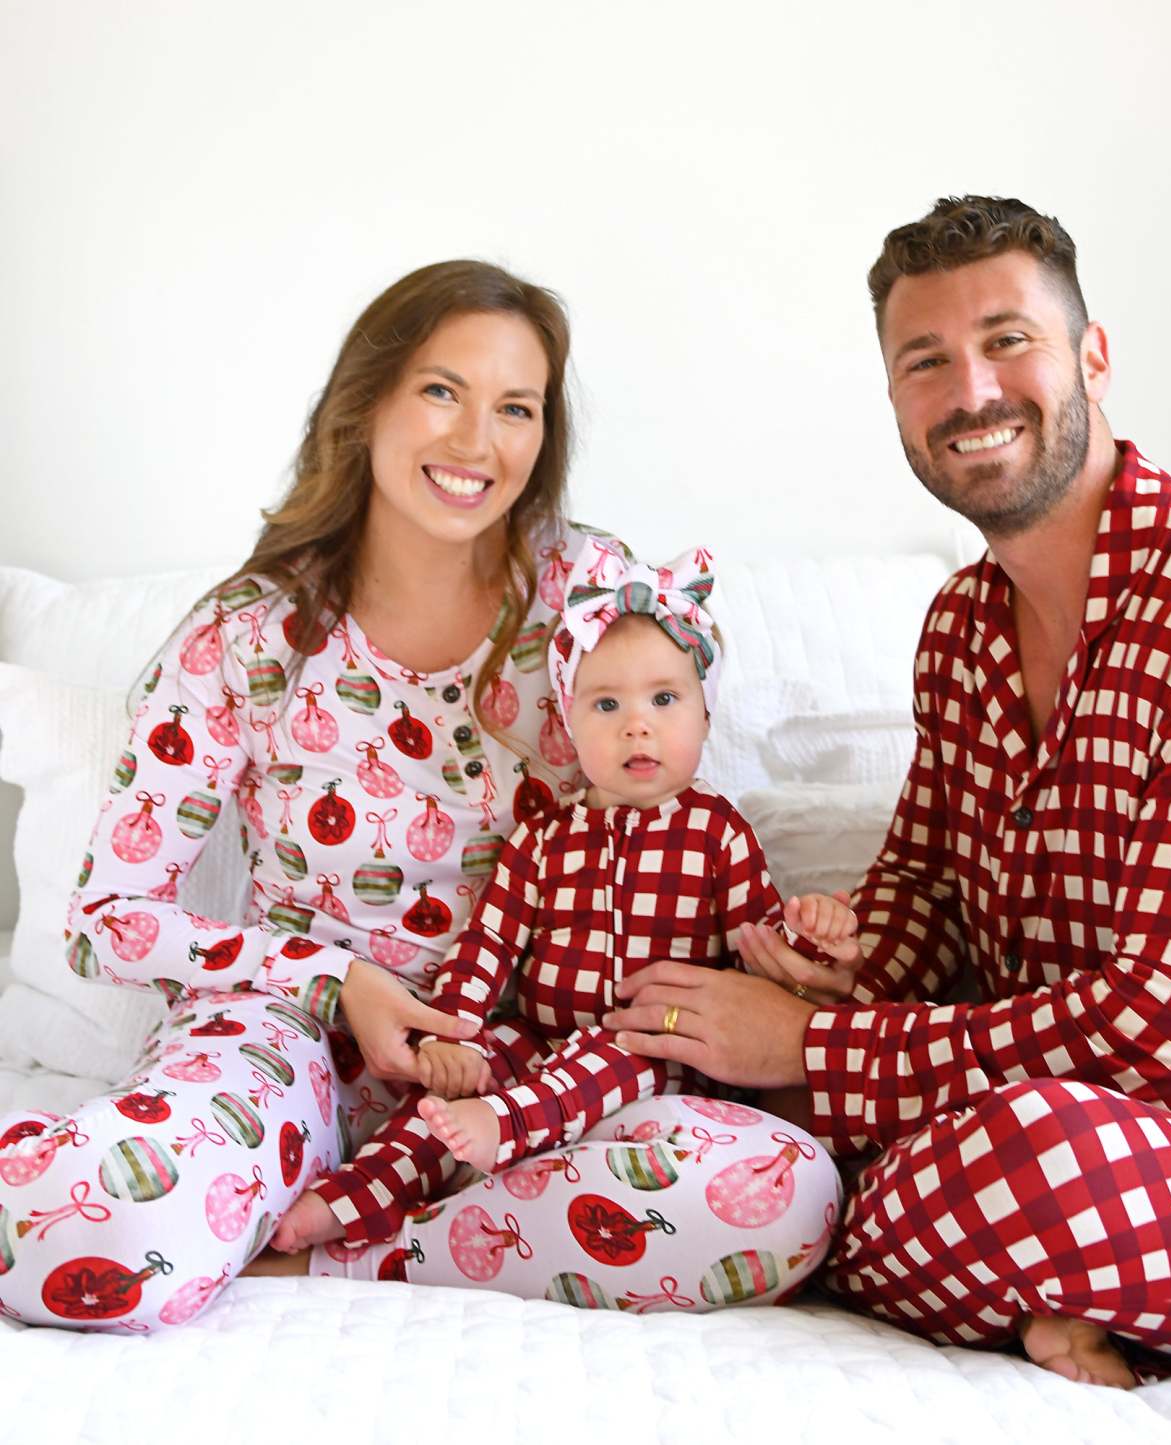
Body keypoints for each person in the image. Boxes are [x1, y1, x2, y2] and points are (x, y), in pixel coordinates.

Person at [603, 196, 1171, 1388]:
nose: (971, 391)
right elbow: (926, 887)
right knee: (735, 1110)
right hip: (1055, 1116)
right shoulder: (959, 628)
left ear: (1091, 357)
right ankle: (1033, 1288)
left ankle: (909, 1232)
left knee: (1024, 1155)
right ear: (893, 399)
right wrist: (833, 955)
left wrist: (814, 1046)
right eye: (925, 361)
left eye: (1006, 341)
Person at [0, 260, 840, 1329]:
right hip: (286, 1046)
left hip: (526, 1081)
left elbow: (667, 813)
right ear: (366, 405)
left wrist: (779, 954)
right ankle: (258, 1200)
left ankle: (338, 1254)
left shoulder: (590, 598)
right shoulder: (248, 633)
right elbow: (106, 920)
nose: (477, 441)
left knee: (784, 1194)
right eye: (443, 391)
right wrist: (333, 977)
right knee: (78, 1230)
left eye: (516, 407)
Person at [270, 540, 855, 1254]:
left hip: (664, 1047)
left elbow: (758, 951)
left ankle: (503, 1127)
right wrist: (450, 1033)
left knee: (617, 1050)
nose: (636, 724)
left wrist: (807, 934)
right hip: (541, 1039)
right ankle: (349, 1198)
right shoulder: (545, 838)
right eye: (606, 703)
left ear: (705, 716)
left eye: (664, 699)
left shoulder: (716, 832)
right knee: (457, 1084)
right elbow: (488, 944)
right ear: (570, 724)